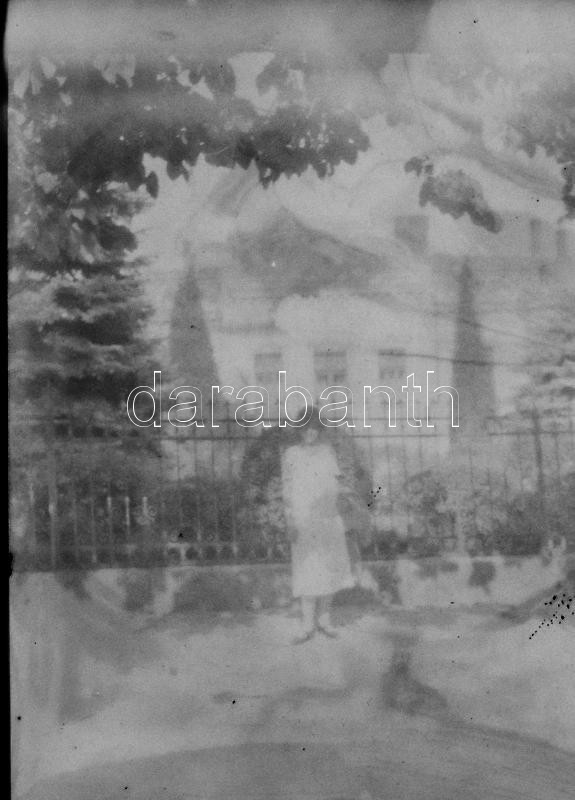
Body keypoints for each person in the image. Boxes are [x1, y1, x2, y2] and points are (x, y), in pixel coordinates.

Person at [281, 408, 356, 644]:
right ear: (299, 430)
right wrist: (290, 519)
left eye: (314, 428)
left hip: (327, 518)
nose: (310, 433)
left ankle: (324, 619)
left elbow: (336, 484)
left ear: (319, 430)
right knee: (306, 569)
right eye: (306, 428)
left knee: (329, 568)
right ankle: (307, 625)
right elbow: (287, 489)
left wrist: (340, 505)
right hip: (303, 520)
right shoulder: (291, 454)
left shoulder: (327, 452)